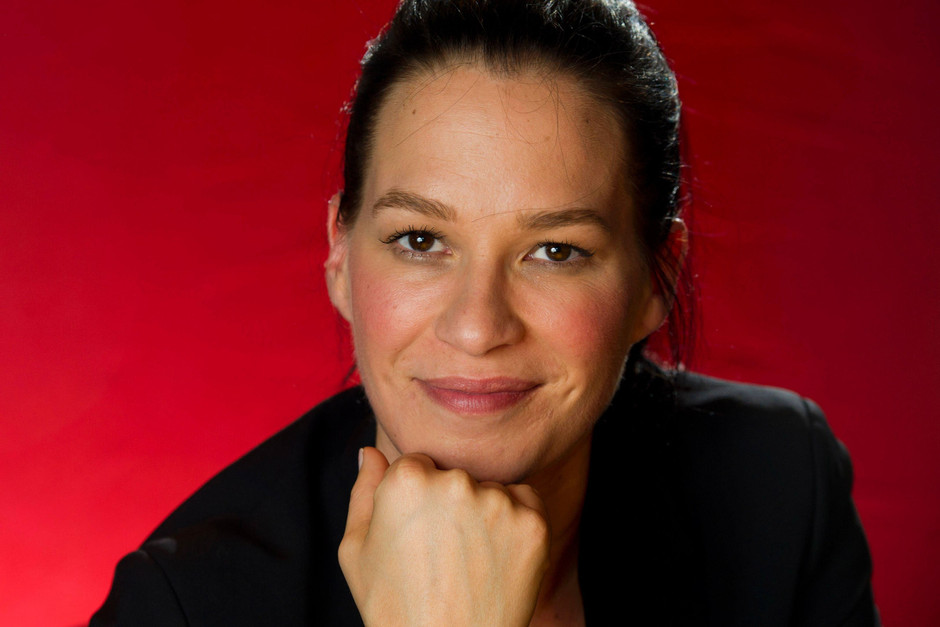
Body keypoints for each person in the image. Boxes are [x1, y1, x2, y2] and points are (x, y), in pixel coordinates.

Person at [91, 0, 878, 625]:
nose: (476, 327)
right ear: (339, 255)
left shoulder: (781, 490)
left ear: (656, 279)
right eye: (420, 240)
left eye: (555, 250)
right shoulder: (187, 606)